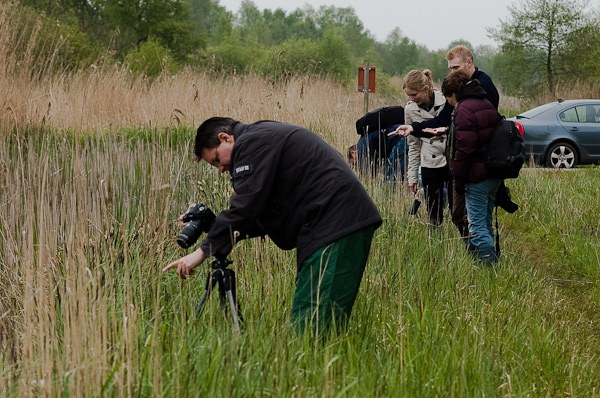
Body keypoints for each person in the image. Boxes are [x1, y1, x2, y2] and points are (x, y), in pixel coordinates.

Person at [162, 117, 382, 333]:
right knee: (318, 323)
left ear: (225, 138)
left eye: (217, 160)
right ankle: (320, 367)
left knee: (311, 325)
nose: (221, 169)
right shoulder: (262, 138)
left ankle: (313, 368)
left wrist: (201, 252)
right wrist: (215, 226)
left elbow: (246, 206)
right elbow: (258, 212)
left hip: (336, 223)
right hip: (335, 222)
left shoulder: (251, 143)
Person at [391, 45, 501, 241]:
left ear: (469, 62)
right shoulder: (463, 89)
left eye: (455, 68)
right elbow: (443, 121)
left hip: (476, 164)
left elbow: (480, 127)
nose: (452, 73)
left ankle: (483, 258)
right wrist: (414, 129)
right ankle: (474, 255)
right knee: (462, 216)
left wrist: (449, 132)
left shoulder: (481, 87)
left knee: (471, 217)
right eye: (450, 68)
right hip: (456, 164)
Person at [441, 71, 501, 265]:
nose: (449, 103)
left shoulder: (464, 109)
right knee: (485, 222)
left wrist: (458, 179)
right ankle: (487, 264)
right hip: (493, 174)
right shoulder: (486, 103)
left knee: (476, 226)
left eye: (448, 98)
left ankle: (488, 270)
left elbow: (464, 149)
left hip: (477, 176)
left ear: (453, 94)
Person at [402, 69, 449, 225]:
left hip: (450, 158)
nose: (411, 98)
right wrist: (413, 176)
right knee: (433, 211)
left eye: (414, 94)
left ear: (426, 89)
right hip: (430, 162)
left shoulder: (446, 100)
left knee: (457, 207)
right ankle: (436, 242)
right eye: (408, 95)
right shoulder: (409, 109)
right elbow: (413, 145)